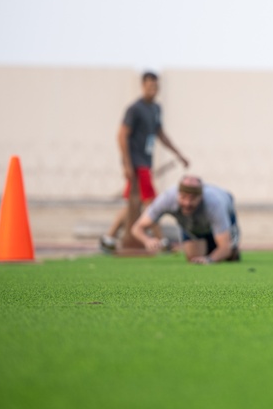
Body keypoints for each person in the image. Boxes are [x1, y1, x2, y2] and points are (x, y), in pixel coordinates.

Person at [100, 71, 189, 251]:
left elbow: (160, 134)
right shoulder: (134, 109)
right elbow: (122, 135)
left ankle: (108, 237)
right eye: (149, 86)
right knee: (151, 202)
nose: (153, 90)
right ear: (142, 86)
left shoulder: (156, 109)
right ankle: (161, 239)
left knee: (134, 204)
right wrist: (127, 164)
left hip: (146, 163)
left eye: (155, 86)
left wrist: (178, 154)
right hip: (136, 163)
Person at [130, 175, 241, 264]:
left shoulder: (214, 204)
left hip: (222, 216)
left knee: (229, 255)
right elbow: (136, 228)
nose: (187, 203)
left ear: (200, 197)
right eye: (183, 197)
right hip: (193, 226)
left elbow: (225, 247)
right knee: (194, 258)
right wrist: (147, 240)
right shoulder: (166, 199)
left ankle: (221, 248)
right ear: (178, 194)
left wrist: (209, 259)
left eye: (192, 198)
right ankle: (210, 247)